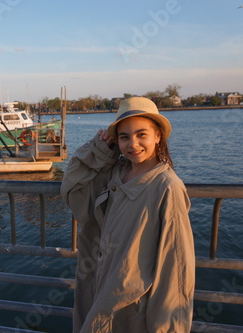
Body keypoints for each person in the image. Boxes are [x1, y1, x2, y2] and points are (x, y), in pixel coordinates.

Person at [61, 97, 195, 332]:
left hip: (131, 306)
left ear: (158, 136)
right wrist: (100, 149)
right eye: (124, 137)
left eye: (142, 134)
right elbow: (74, 190)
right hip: (99, 289)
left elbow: (175, 268)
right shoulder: (116, 173)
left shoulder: (166, 187)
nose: (133, 144)